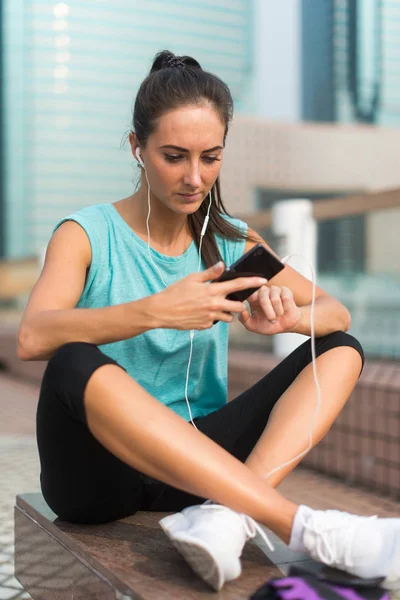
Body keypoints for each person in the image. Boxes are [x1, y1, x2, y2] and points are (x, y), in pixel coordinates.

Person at [17, 50, 399, 592]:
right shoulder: (85, 233)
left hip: (201, 466)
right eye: (174, 157)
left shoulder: (230, 239)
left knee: (340, 346)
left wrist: (283, 320)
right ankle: (302, 528)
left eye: (211, 157)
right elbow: (33, 336)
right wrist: (154, 311)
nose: (195, 178)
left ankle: (227, 516)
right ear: (137, 147)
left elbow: (335, 312)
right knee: (73, 360)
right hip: (98, 478)